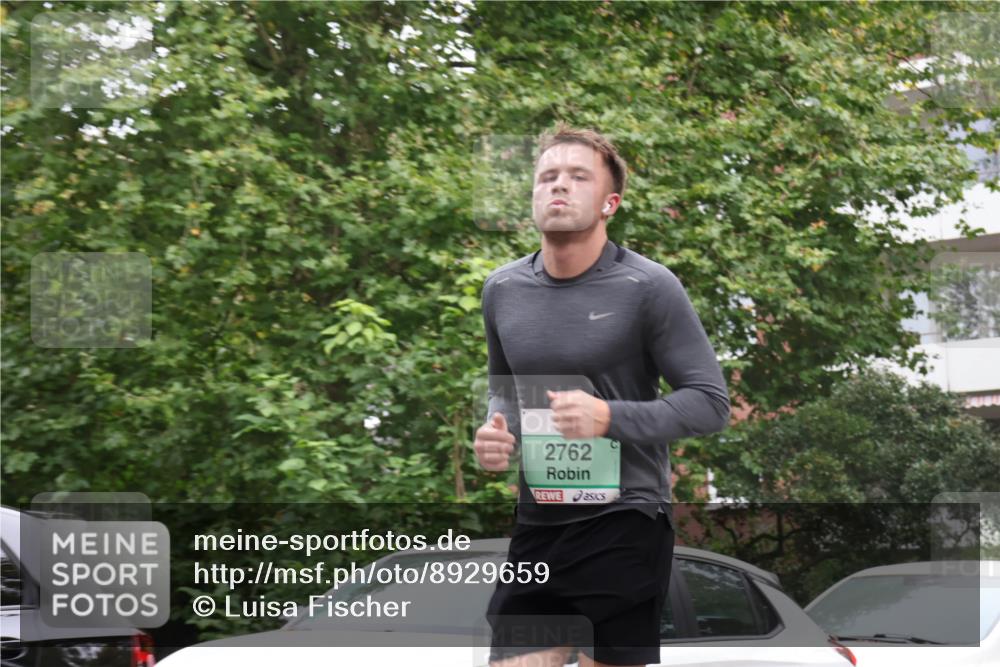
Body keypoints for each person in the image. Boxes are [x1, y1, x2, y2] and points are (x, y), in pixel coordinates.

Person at [474, 124, 731, 667]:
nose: (558, 185)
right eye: (547, 176)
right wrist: (496, 433)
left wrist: (608, 416)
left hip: (625, 519)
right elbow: (505, 393)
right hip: (539, 524)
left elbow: (710, 403)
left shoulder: (648, 286)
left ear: (609, 203)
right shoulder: (502, 289)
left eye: (577, 176)